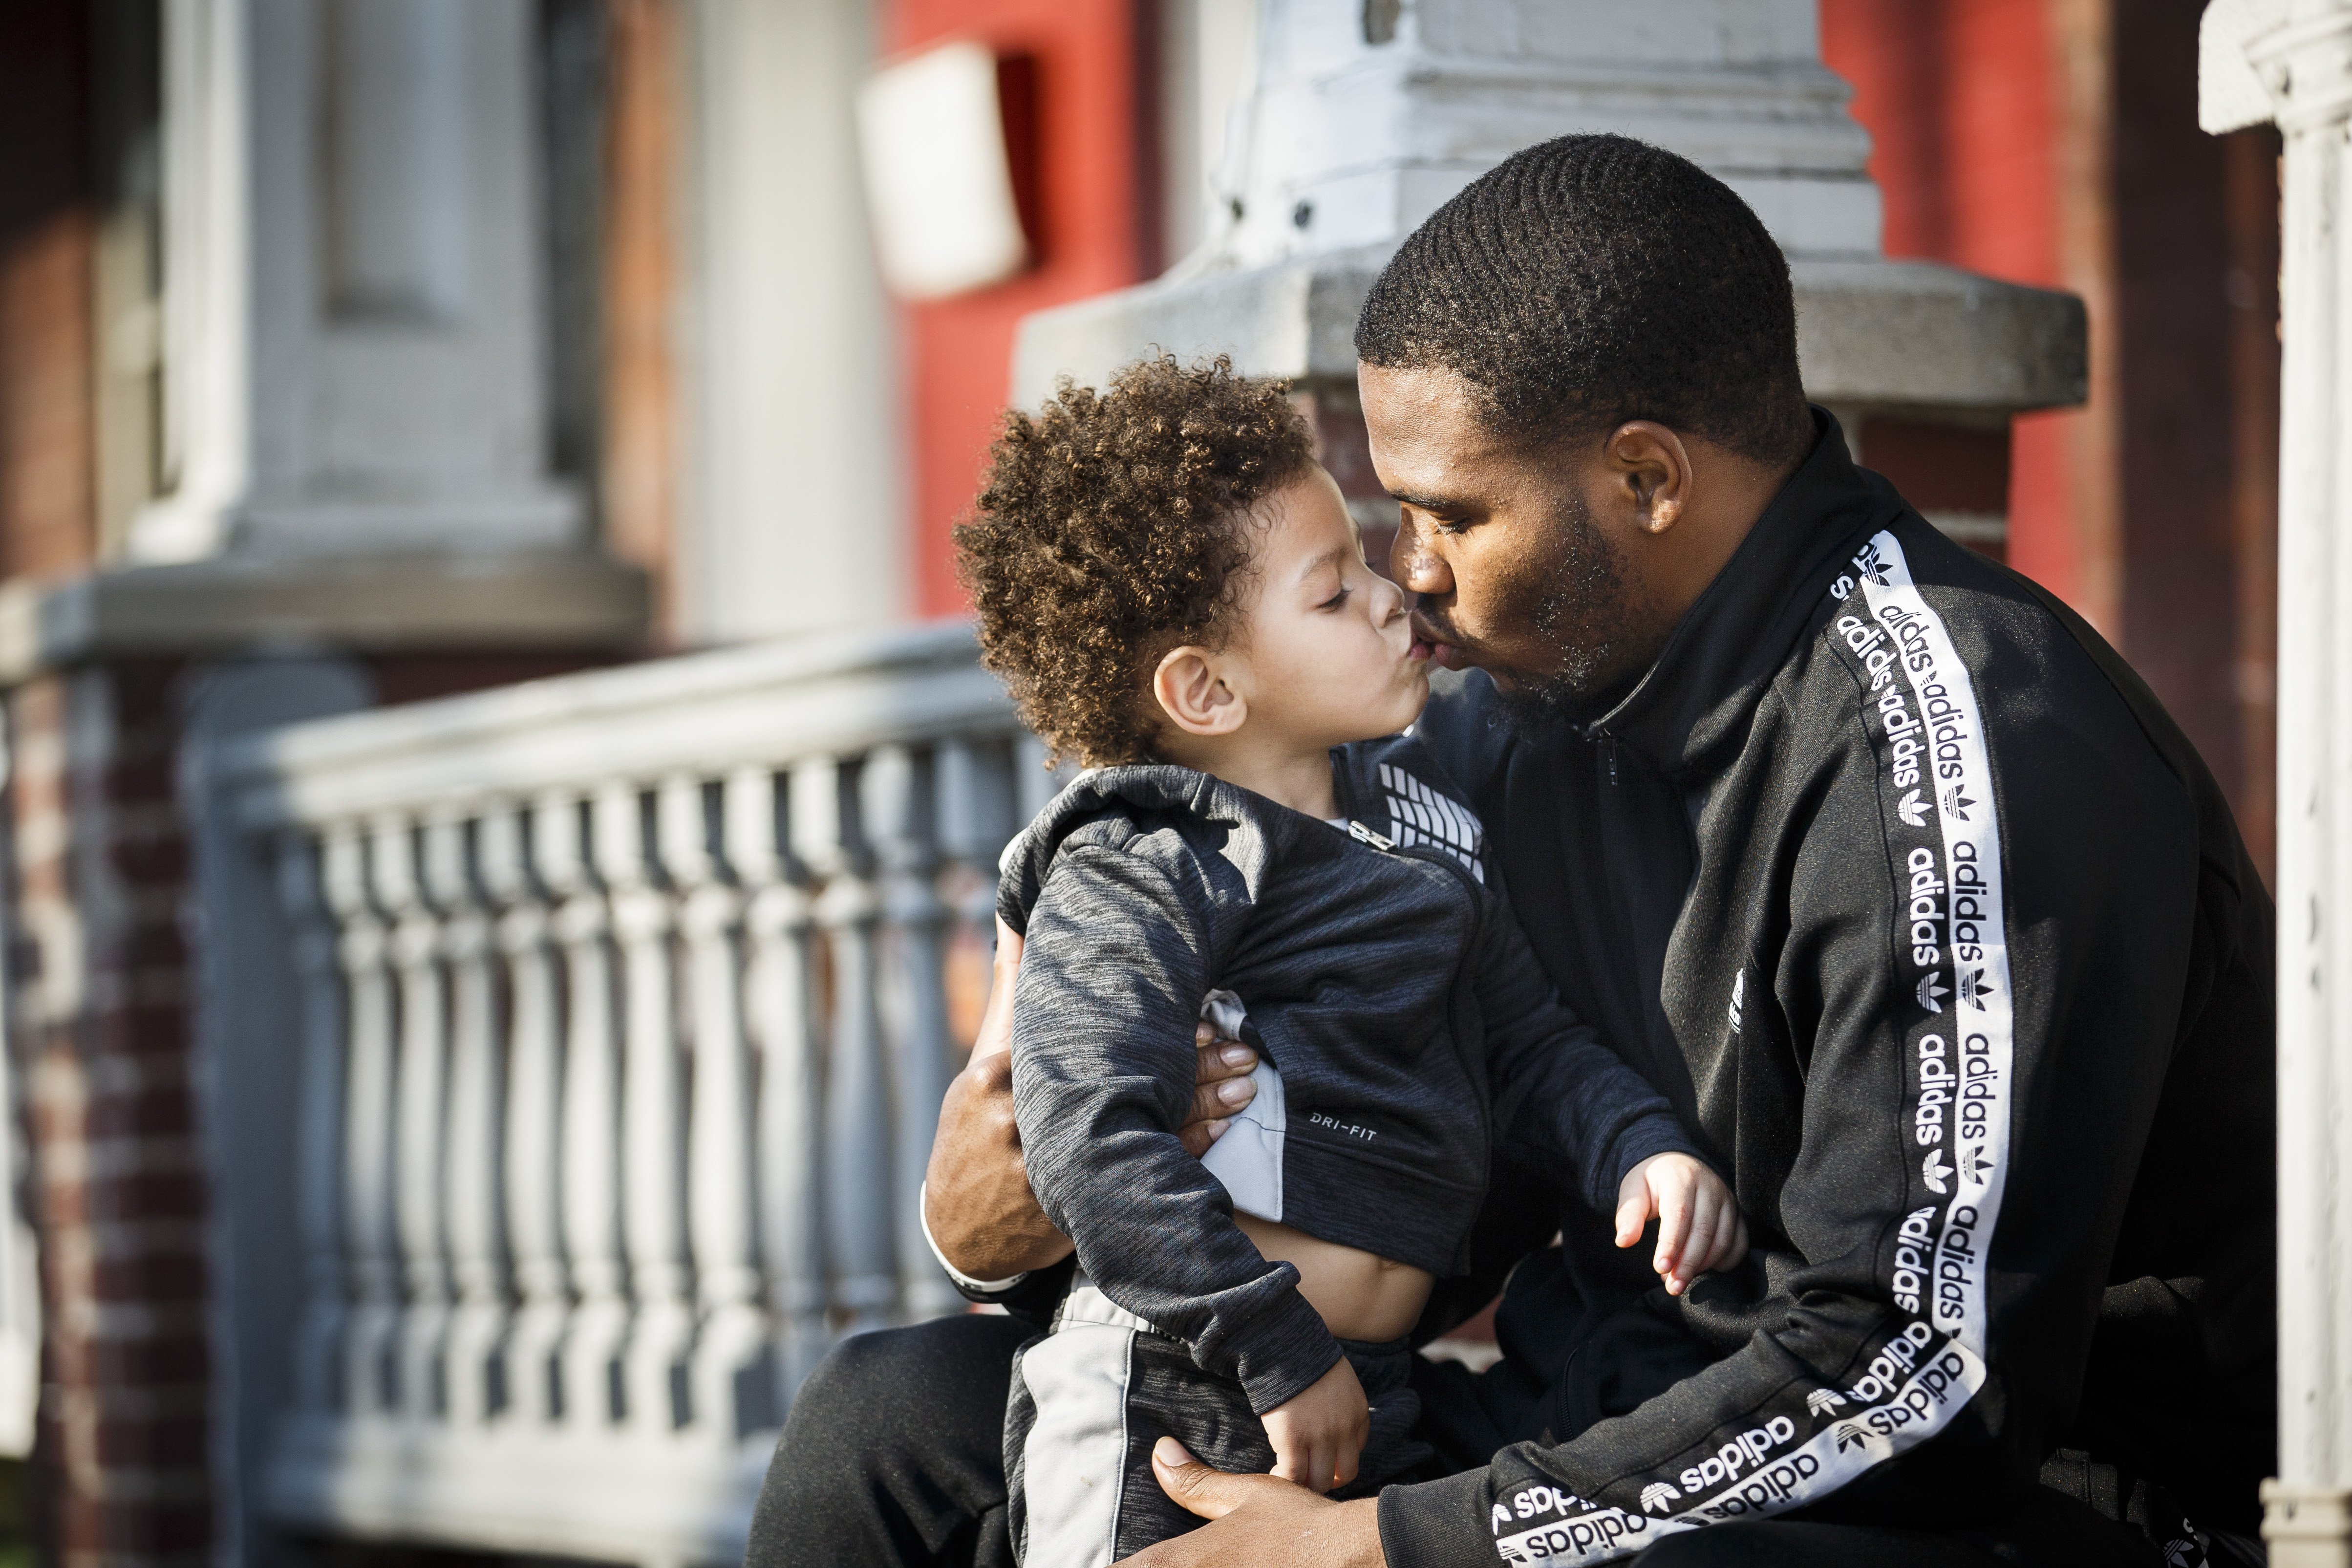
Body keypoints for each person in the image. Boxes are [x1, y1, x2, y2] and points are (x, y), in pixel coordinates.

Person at [748, 133, 2274, 1568]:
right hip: (1572, 1418)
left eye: (1448, 514)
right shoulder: (1499, 730)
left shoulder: (1971, 747)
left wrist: (1384, 1546)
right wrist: (1018, 1206)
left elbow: (1916, 1383)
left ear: (1644, 479)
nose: (1410, 577)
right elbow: (1415, 1183)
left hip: (1977, 1507)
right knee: (901, 1426)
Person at [953, 357, 1743, 1565]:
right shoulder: (1148, 856)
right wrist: (1278, 1351)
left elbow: (1526, 1042)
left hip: (1374, 1388)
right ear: (1205, 688)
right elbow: (1087, 1137)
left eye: (1366, 565)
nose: (1392, 597)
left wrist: (1639, 1147)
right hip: (1173, 1384)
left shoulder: (1423, 826)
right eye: (1332, 595)